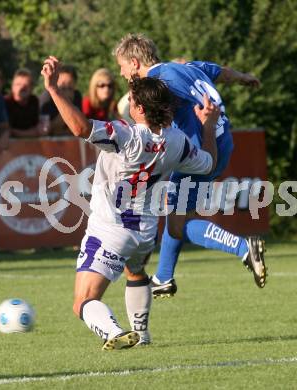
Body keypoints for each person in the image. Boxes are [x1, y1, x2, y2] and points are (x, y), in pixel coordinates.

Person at [41, 55, 219, 350]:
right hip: (146, 232)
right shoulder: (178, 141)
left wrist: (54, 90)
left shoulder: (127, 135)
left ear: (138, 108)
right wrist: (209, 126)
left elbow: (80, 128)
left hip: (111, 229)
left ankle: (113, 332)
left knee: (83, 302)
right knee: (135, 272)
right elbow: (209, 164)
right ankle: (143, 335)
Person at [113, 33, 266, 297]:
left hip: (198, 151)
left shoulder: (160, 82)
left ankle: (243, 247)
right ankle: (163, 277)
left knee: (176, 224)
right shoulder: (186, 68)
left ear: (135, 62)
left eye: (122, 66)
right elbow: (219, 72)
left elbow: (156, 121)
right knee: (176, 211)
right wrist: (243, 78)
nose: (121, 72)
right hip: (221, 141)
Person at [39, 64, 82, 135]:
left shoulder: (77, 96)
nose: (67, 92)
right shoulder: (46, 98)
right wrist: (67, 105)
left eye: (70, 88)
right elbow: (46, 130)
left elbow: (80, 126)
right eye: (63, 88)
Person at [5, 68, 47, 137]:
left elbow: (38, 129)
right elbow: (5, 130)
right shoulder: (6, 102)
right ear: (12, 86)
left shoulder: (34, 101)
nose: (22, 88)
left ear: (32, 87)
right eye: (18, 84)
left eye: (26, 85)